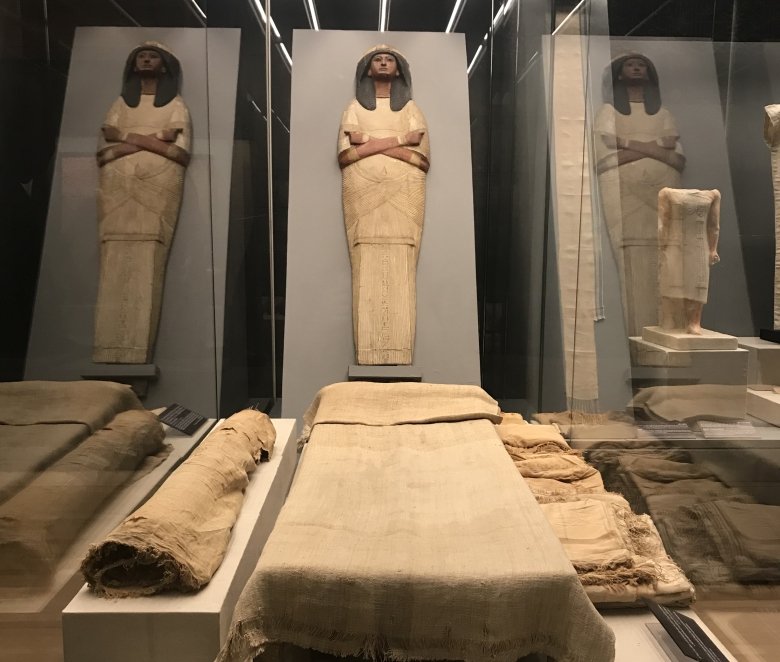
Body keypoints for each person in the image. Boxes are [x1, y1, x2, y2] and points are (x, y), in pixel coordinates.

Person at [93, 41, 191, 364]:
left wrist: (124, 138)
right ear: (133, 64)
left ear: (164, 65)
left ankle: (137, 351)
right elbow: (103, 154)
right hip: (118, 187)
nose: (147, 60)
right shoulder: (120, 105)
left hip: (157, 188)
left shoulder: (176, 106)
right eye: (142, 56)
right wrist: (153, 139)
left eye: (153, 56)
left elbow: (178, 153)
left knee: (149, 255)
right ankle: (108, 349)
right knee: (113, 254)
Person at [338, 45, 430, 365]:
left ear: (399, 69)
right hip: (362, 190)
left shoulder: (411, 110)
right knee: (365, 258)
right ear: (367, 69)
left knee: (403, 258)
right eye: (377, 59)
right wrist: (402, 140)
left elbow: (421, 160)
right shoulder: (354, 108)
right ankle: (368, 350)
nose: (383, 63)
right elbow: (346, 156)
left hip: (405, 190)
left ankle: (399, 350)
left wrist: (370, 143)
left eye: (389, 60)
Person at [595, 53, 685, 336]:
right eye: (630, 65)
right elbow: (606, 161)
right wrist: (656, 146)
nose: (636, 68)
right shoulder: (608, 112)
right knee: (631, 261)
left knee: (666, 258)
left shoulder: (664, 114)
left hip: (661, 193)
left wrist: (626, 143)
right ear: (619, 74)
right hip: (626, 196)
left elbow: (676, 160)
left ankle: (664, 335)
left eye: (642, 64)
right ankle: (637, 338)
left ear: (650, 72)